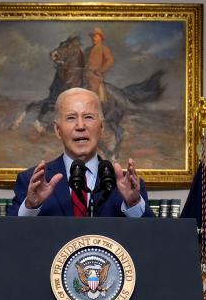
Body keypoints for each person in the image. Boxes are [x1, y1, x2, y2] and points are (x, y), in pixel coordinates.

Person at [9, 87, 150, 218]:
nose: (80, 126)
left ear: (101, 127)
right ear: (58, 130)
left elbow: (153, 237)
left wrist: (134, 204)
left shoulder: (130, 186)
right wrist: (31, 207)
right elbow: (8, 239)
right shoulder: (32, 181)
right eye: (71, 117)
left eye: (88, 117)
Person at [85, 27, 114, 101]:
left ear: (100, 38)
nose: (93, 38)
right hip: (85, 74)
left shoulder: (103, 49)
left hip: (95, 76)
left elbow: (110, 61)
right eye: (92, 37)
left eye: (95, 36)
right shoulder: (87, 50)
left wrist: (100, 70)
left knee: (93, 91)